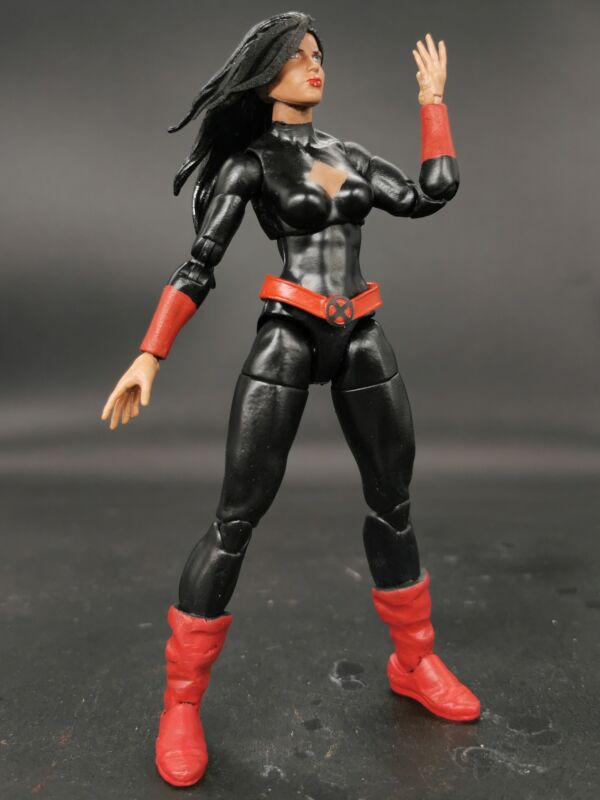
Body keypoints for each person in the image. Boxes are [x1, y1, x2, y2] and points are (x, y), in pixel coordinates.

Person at [101, 12, 480, 788]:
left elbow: (429, 194)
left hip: (360, 331)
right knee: (236, 517)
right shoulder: (252, 166)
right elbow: (199, 264)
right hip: (290, 334)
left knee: (393, 503)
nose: (314, 65)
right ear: (265, 73)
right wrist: (149, 354)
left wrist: (432, 104)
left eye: (319, 54)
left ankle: (414, 662)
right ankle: (180, 703)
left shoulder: (348, 155)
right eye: (297, 56)